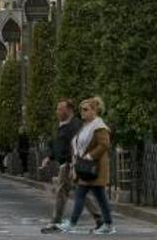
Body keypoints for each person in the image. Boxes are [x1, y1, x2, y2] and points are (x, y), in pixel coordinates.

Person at [40, 99, 102, 234]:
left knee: (62, 191)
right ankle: (99, 218)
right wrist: (49, 157)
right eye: (57, 109)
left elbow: (77, 146)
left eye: (60, 109)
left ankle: (56, 221)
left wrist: (72, 164)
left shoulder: (75, 126)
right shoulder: (63, 125)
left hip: (70, 163)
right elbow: (59, 145)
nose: (57, 112)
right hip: (66, 163)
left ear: (69, 110)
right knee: (78, 192)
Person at [56, 97, 115, 235]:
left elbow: (105, 144)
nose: (82, 112)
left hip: (95, 167)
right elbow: (77, 144)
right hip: (85, 167)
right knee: (99, 197)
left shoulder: (100, 127)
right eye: (81, 109)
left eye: (86, 109)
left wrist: (90, 156)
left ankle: (72, 223)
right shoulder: (86, 126)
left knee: (80, 194)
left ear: (95, 111)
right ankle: (108, 224)